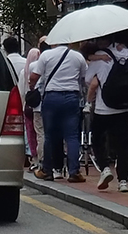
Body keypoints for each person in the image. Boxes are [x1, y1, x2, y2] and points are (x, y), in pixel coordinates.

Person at [29, 41, 86, 183]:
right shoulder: (77, 57)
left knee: (49, 135)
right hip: (72, 97)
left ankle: (47, 170)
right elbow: (83, 78)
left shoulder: (46, 55)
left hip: (51, 97)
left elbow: (34, 77)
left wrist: (32, 88)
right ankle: (74, 172)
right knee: (72, 136)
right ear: (69, 43)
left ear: (54, 42)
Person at [85, 36, 128, 192]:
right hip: (125, 107)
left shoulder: (100, 57)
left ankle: (105, 168)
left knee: (97, 139)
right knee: (123, 145)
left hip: (103, 108)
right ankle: (123, 181)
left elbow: (88, 80)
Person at [19, 48, 40, 171]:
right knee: (40, 133)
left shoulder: (24, 72)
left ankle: (34, 158)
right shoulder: (41, 69)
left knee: (31, 133)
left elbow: (21, 91)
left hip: (27, 106)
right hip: (39, 105)